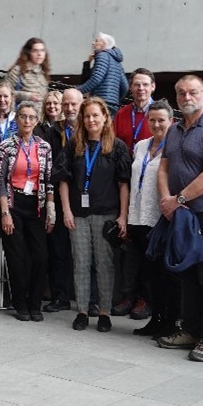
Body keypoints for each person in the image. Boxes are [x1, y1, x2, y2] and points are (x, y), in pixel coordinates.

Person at [155, 76, 203, 361]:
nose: (187, 97)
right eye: (182, 93)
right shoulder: (174, 130)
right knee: (186, 273)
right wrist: (167, 201)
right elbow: (163, 169)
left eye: (193, 92)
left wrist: (179, 199)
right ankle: (190, 329)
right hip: (180, 212)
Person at [57, 98, 130, 332]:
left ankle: (105, 312)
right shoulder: (73, 145)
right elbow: (63, 181)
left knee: (105, 264)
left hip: (106, 214)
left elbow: (123, 184)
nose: (91, 120)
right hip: (77, 215)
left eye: (95, 115)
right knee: (80, 263)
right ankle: (82, 311)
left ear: (105, 117)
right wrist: (66, 210)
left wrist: (123, 216)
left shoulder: (116, 146)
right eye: (87, 116)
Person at [0, 101, 55, 321]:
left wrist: (51, 211)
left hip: (37, 206)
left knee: (40, 256)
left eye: (31, 117)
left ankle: (35, 302)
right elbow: (0, 181)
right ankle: (20, 303)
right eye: (23, 116)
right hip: (13, 204)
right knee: (17, 256)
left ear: (37, 120)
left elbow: (49, 180)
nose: (27, 121)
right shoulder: (6, 145)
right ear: (17, 119)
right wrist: (5, 213)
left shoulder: (44, 147)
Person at [128, 101, 177, 338]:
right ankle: (154, 320)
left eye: (161, 120)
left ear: (171, 122)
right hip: (138, 217)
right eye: (152, 120)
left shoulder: (174, 147)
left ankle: (167, 321)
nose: (156, 124)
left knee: (163, 274)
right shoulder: (140, 146)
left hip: (160, 218)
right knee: (147, 273)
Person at [40, 87, 82, 312]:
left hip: (85, 197)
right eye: (66, 104)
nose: (69, 108)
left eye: (73, 104)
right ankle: (61, 297)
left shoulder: (89, 128)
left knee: (86, 252)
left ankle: (90, 300)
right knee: (59, 250)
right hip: (56, 196)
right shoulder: (52, 132)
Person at [75, 33, 125, 109]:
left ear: (104, 44)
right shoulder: (117, 62)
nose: (93, 43)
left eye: (96, 41)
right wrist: (115, 98)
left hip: (100, 103)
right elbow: (125, 86)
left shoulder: (102, 55)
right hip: (113, 105)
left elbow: (96, 78)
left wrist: (77, 90)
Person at [112, 68, 156, 153]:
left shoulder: (162, 113)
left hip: (152, 163)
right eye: (137, 84)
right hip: (125, 163)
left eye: (145, 84)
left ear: (153, 86)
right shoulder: (121, 114)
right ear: (131, 87)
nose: (141, 88)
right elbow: (113, 142)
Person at [4, 38, 51, 107]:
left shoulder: (43, 71)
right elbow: (5, 93)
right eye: (35, 51)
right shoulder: (17, 70)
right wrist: (27, 96)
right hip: (24, 114)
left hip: (41, 114)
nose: (39, 54)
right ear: (28, 53)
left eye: (42, 50)